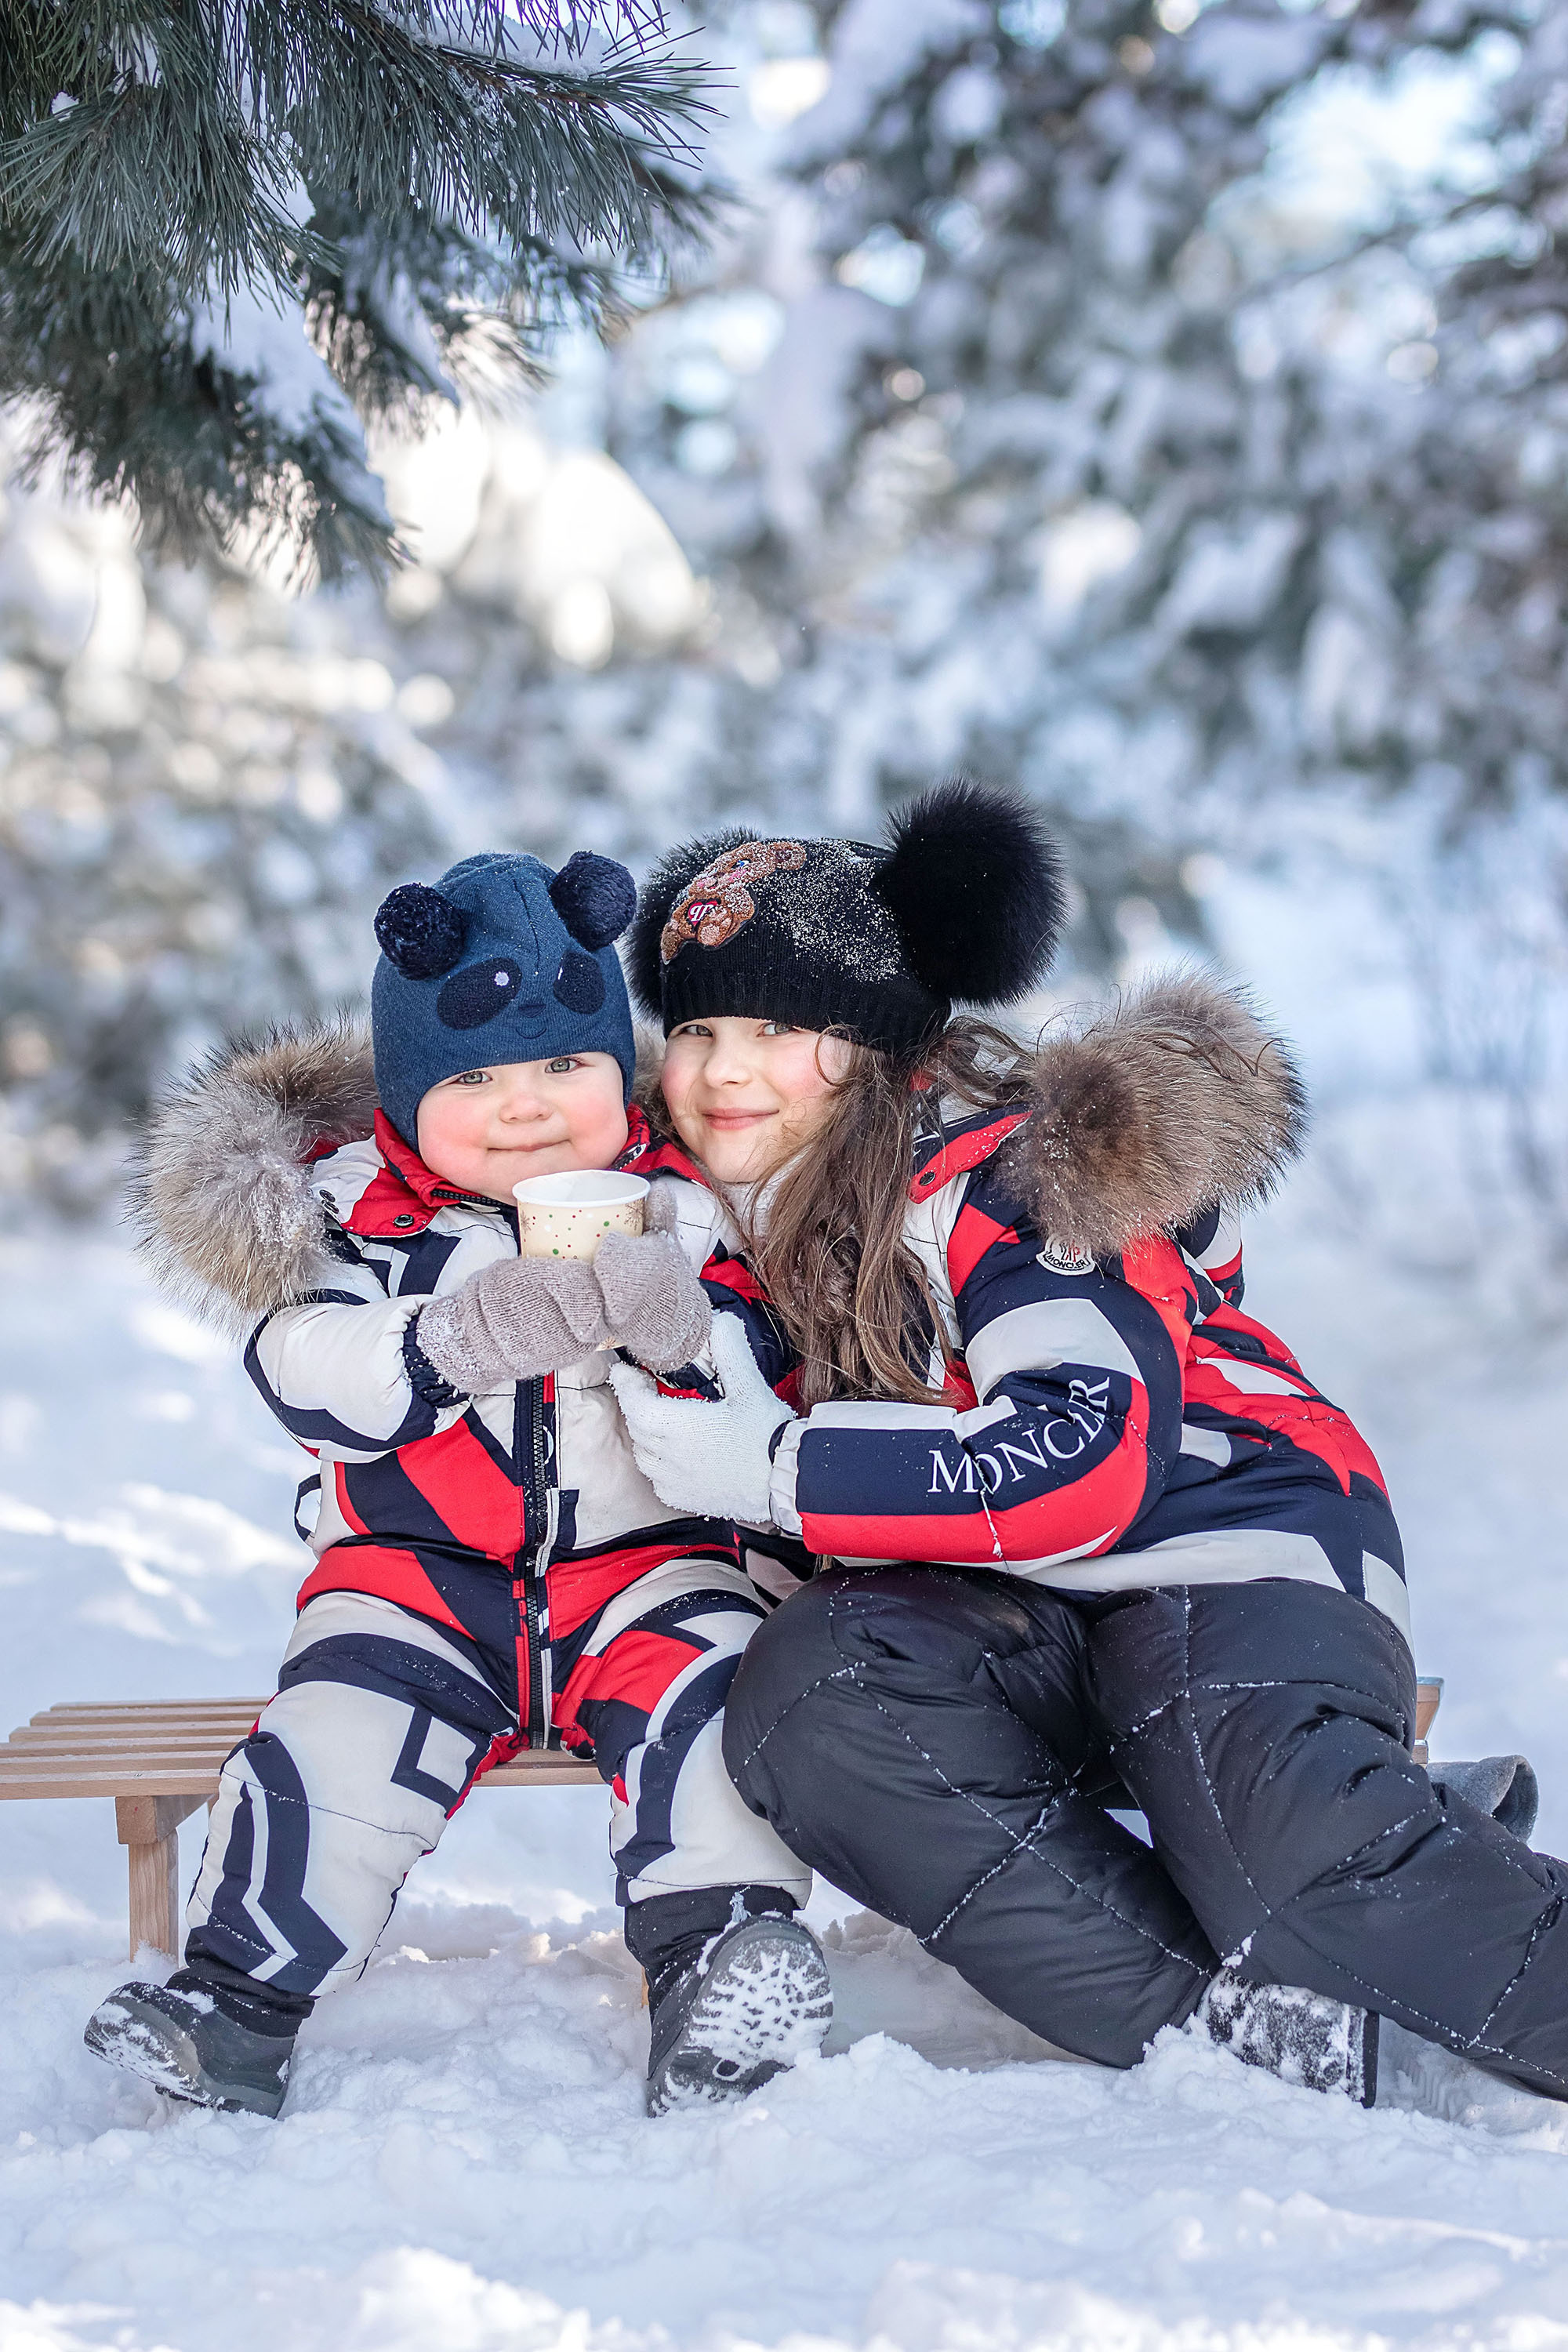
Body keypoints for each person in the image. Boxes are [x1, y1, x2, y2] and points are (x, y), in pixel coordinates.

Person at [610, 780, 1568, 2107]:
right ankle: (1226, 2026)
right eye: (697, 1028)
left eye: (779, 1027)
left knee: (1284, 1868)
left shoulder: (1006, 1183)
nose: (724, 1067)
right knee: (812, 1701)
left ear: (883, 1042)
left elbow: (1083, 1460)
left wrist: (780, 1469)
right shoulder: (710, 1214)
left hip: (1221, 1551)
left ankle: (1331, 1834)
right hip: (1009, 1609)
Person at [84, 849, 827, 2119]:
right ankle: (236, 2004)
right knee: (333, 1746)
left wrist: (690, 1332)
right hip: (412, 1581)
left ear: (621, 1076)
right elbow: (301, 1368)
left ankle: (721, 1970)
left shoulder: (698, 1209)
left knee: (713, 1711)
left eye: (565, 1065)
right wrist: (455, 1336)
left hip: (653, 1569)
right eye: (473, 1078)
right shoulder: (355, 1221)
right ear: (407, 1094)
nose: (524, 1107)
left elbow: (776, 1389)